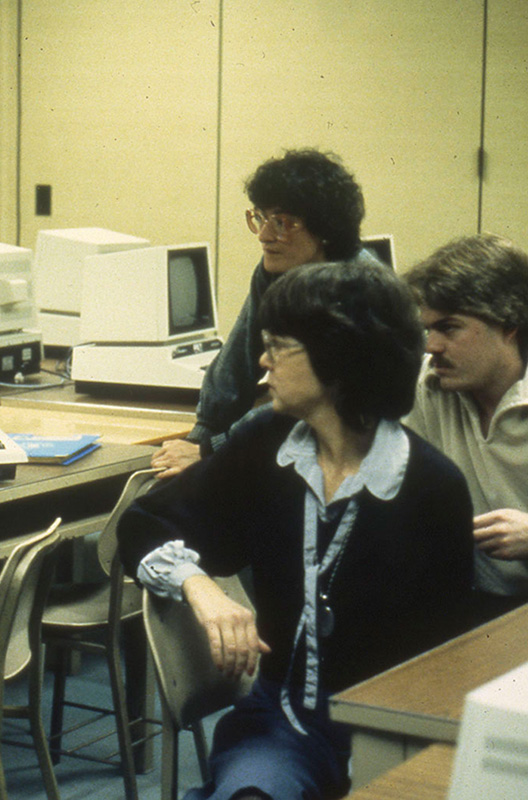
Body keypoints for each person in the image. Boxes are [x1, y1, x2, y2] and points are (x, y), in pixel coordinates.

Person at [119, 261, 473, 800]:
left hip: (389, 731)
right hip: (280, 723)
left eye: (279, 346)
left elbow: (445, 668)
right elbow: (144, 521)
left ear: (339, 358)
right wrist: (203, 588)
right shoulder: (266, 442)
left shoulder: (433, 489)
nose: (262, 362)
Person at [152, 148, 380, 478]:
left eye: (281, 223)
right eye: (259, 218)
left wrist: (210, 450)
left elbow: (302, 401)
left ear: (325, 228)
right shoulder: (274, 272)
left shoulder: (356, 291)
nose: (263, 235)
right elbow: (238, 361)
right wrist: (200, 436)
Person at [403, 233, 528, 624]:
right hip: (471, 604)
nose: (431, 346)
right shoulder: (430, 386)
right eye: (427, 329)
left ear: (509, 324)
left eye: (449, 328)